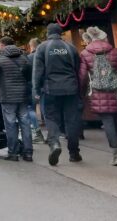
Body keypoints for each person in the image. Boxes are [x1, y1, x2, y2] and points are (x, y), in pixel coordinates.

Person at [78, 27, 117, 166]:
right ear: (104, 38)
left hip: (97, 94)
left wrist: (79, 94)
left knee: (108, 122)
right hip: (116, 92)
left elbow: (82, 76)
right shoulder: (115, 52)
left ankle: (116, 154)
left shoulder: (85, 53)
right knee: (116, 120)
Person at [33, 23, 82, 166]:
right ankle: (74, 153)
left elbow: (37, 72)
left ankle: (54, 144)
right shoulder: (71, 48)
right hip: (71, 88)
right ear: (60, 33)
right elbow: (77, 69)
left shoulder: (42, 48)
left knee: (51, 118)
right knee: (71, 120)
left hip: (51, 89)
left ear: (48, 33)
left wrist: (36, 91)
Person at [0, 36, 33, 162]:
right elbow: (29, 74)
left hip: (8, 96)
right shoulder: (23, 56)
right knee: (25, 123)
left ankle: (13, 153)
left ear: (2, 45)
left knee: (10, 124)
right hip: (23, 95)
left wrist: (0, 81)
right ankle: (28, 152)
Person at [26, 38, 44, 143]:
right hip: (46, 86)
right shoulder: (44, 55)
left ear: (32, 46)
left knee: (30, 109)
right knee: (47, 111)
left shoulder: (29, 57)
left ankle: (38, 133)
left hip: (32, 86)